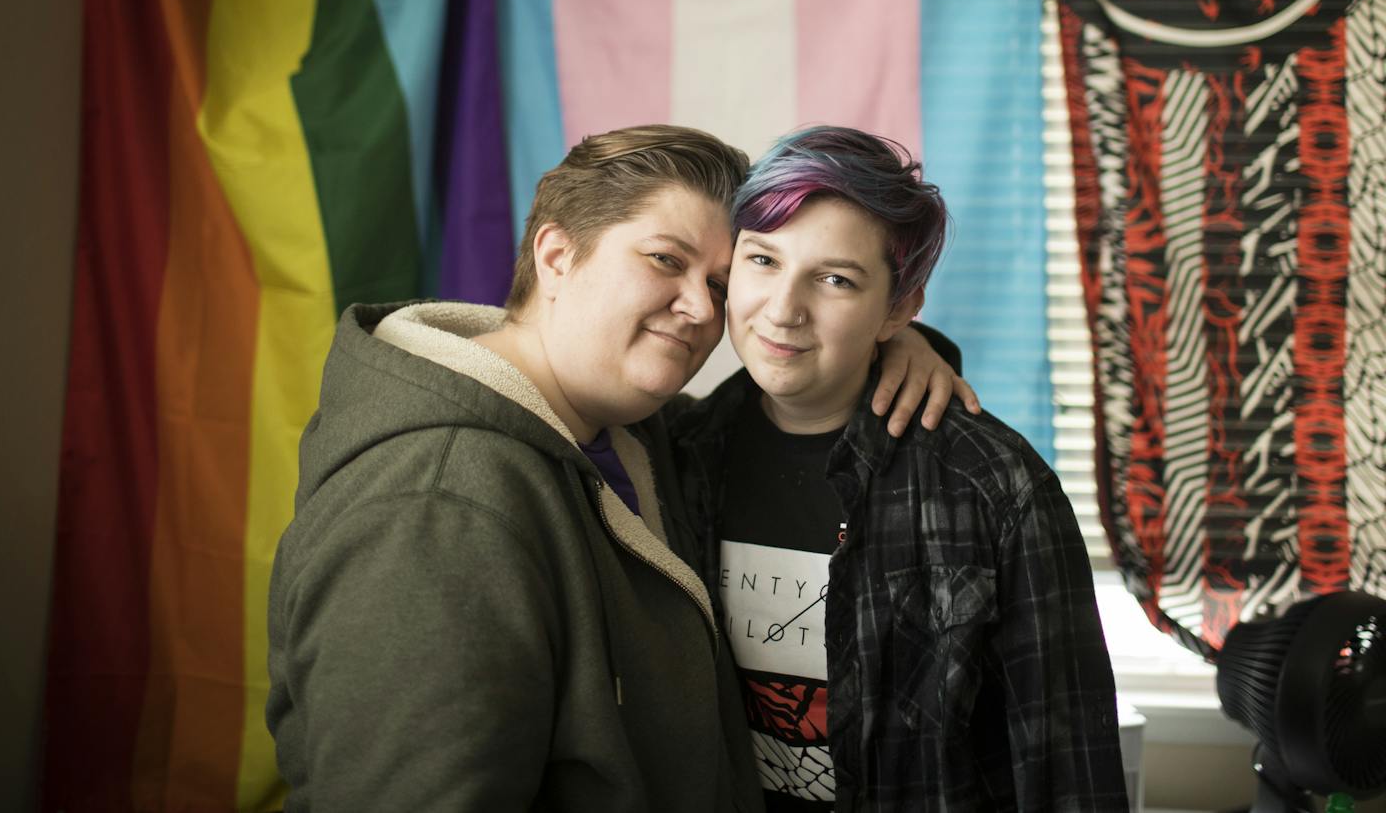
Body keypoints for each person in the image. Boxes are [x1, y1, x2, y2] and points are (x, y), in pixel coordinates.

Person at [265, 124, 966, 812]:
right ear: (557, 254)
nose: (700, 308)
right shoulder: (436, 504)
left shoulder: (632, 434)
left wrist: (891, 344)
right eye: (666, 259)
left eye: (722, 282)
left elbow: (794, 392)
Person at [672, 126, 1127, 812]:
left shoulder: (995, 488)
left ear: (899, 309)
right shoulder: (675, 454)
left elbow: (1069, 772)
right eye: (763, 259)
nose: (784, 308)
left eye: (835, 279)